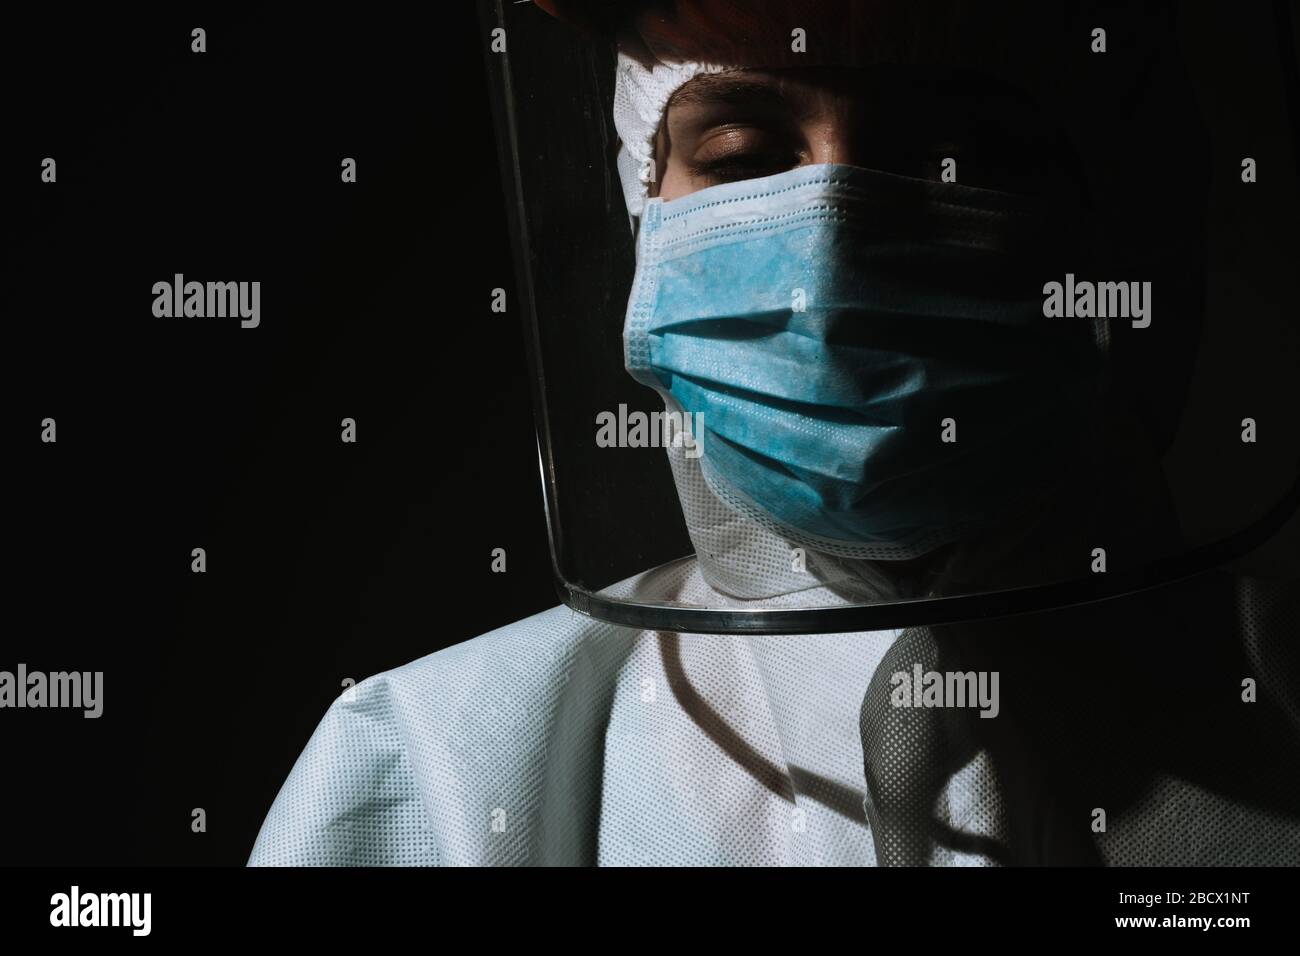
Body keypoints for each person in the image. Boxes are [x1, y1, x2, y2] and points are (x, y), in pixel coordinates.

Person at [248, 0, 1300, 865]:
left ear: (1100, 213)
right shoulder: (438, 776)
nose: (833, 245)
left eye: (952, 150)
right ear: (639, 203)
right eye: (744, 154)